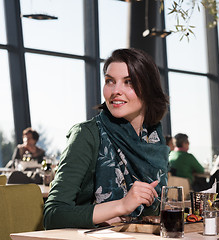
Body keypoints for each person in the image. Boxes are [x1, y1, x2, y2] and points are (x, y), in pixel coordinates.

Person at [43, 48, 169, 229]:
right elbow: (53, 216)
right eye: (110, 81)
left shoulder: (154, 141)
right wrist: (121, 205)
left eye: (129, 82)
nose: (116, 90)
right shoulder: (87, 135)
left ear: (149, 90)